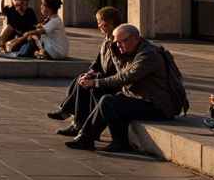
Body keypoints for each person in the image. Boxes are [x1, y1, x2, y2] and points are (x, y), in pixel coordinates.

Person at [65, 24, 178, 153]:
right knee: (106, 96)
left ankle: (88, 138)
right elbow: (119, 74)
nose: (118, 46)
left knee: (109, 100)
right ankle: (114, 139)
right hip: (142, 98)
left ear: (135, 38)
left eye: (121, 42)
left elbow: (126, 77)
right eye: (116, 43)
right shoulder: (133, 51)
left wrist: (96, 82)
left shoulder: (148, 54)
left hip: (158, 106)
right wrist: (94, 78)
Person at [50, 6, 124, 136]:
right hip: (107, 78)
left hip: (115, 84)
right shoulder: (107, 40)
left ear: (111, 24)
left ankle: (76, 122)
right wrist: (90, 72)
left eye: (102, 24)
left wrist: (96, 77)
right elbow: (98, 61)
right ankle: (73, 118)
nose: (99, 27)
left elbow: (120, 70)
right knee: (82, 79)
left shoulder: (120, 41)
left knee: (84, 84)